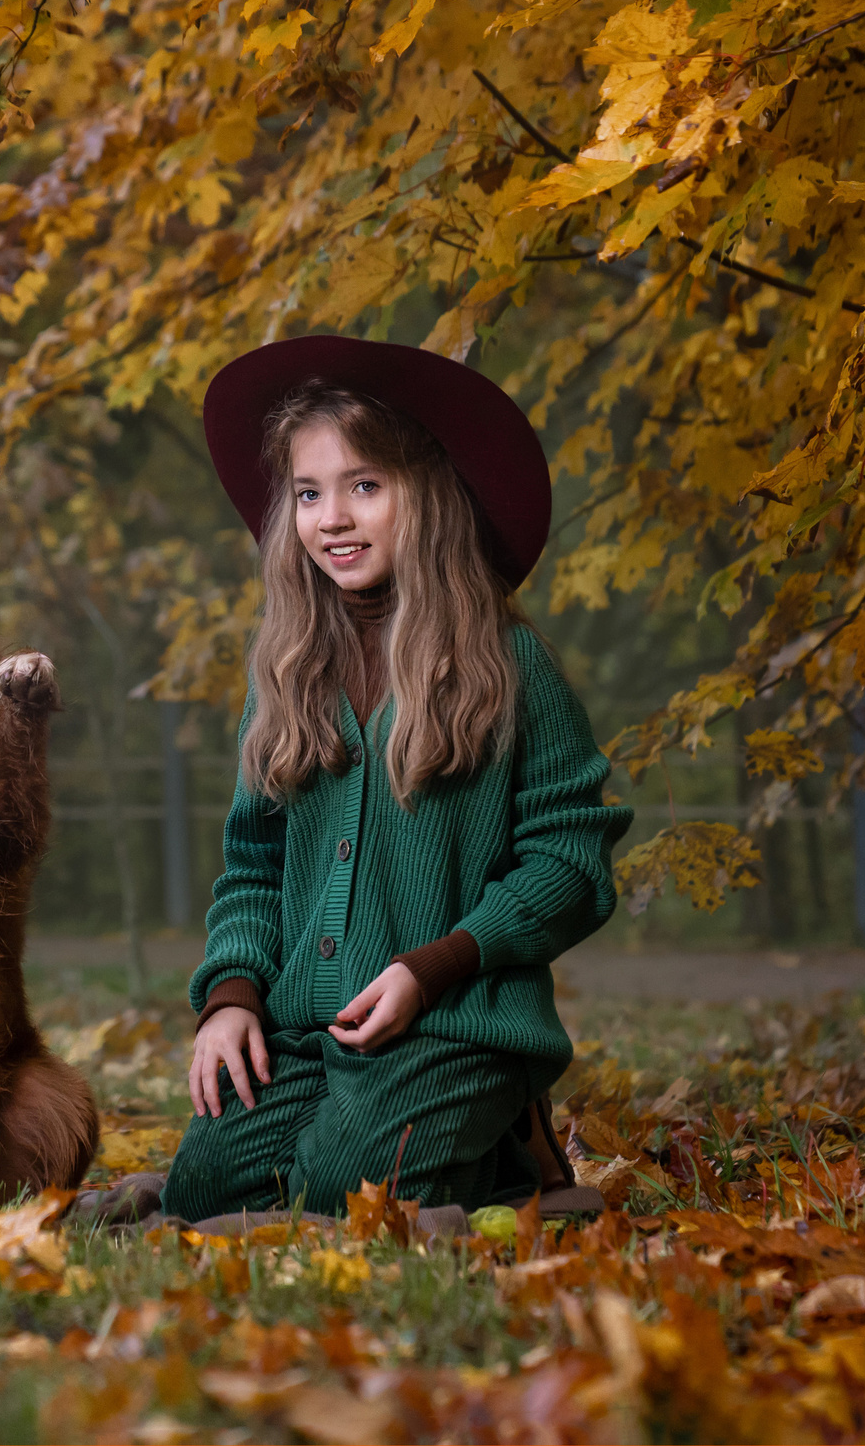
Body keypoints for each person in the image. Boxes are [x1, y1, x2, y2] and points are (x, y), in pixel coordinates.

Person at [158, 336, 634, 1221]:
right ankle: (444, 1150)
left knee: (350, 1188)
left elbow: (572, 862)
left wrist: (436, 964)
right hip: (305, 1029)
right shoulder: (287, 678)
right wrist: (228, 998)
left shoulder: (508, 666)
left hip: (454, 1020)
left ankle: (507, 1151)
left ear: (430, 494)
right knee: (202, 1186)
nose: (332, 517)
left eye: (364, 485)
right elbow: (252, 870)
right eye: (309, 493)